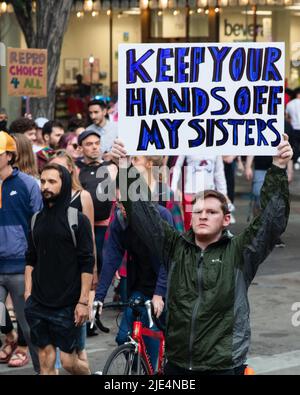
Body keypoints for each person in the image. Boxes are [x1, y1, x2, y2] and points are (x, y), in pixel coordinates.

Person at [111, 135, 292, 375]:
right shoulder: (174, 247)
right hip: (177, 365)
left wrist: (278, 167)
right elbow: (143, 212)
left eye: (211, 212)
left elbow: (271, 221)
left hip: (223, 366)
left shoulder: (240, 251)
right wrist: (125, 169)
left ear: (226, 219)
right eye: (198, 211)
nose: (203, 216)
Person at [24, 163, 94, 375]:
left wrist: (83, 301)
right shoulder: (36, 219)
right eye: (43, 181)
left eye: (52, 181)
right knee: (45, 359)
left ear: (63, 184)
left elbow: (86, 262)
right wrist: (28, 293)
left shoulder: (78, 220)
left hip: (67, 304)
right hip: (38, 302)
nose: (45, 186)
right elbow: (30, 258)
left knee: (68, 362)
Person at [0, 131, 41, 372]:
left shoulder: (27, 184)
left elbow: (39, 224)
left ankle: (41, 370)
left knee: (29, 326)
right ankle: (9, 335)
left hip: (21, 266)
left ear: (10, 156)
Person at [170, 155, 229, 230]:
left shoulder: (216, 147)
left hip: (210, 194)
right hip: (190, 193)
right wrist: (173, 190)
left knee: (209, 224)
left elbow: (219, 172)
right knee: (190, 223)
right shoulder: (185, 144)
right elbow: (176, 167)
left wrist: (223, 193)